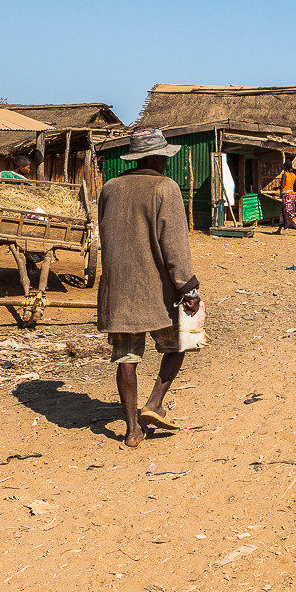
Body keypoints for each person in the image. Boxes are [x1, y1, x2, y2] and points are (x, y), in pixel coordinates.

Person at [97, 128, 201, 449]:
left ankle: (131, 430)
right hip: (157, 291)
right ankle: (154, 404)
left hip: (119, 288)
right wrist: (188, 287)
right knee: (183, 341)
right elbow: (175, 246)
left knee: (126, 358)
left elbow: (105, 237)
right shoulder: (164, 189)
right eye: (164, 158)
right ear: (156, 158)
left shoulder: (110, 189)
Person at [274, 165, 296, 235]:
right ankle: (279, 230)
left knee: (289, 212)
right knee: (283, 212)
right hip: (291, 195)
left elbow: (282, 186)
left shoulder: (285, 175)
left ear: (285, 167)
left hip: (286, 196)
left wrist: (276, 188)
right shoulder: (294, 175)